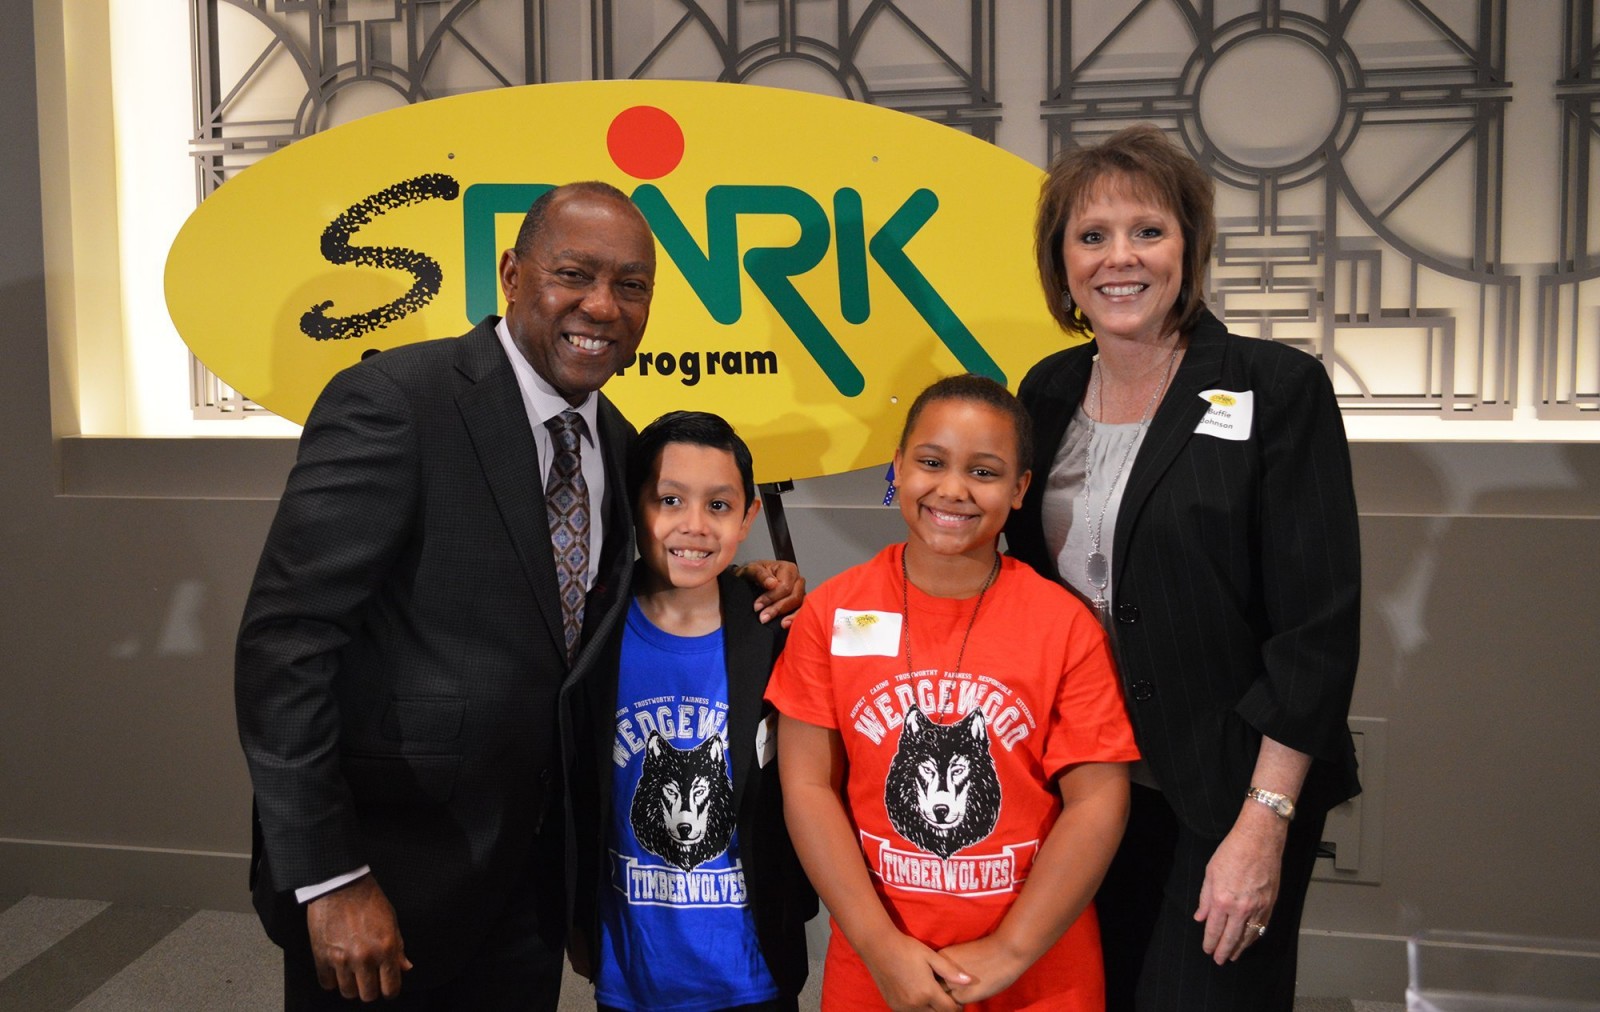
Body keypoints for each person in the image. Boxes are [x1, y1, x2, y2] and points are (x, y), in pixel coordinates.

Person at [235, 181, 802, 1010]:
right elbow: (285, 646)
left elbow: (618, 604)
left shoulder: (616, 441)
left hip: (531, 889)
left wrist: (749, 576)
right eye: (574, 274)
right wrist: (330, 876)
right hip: (390, 878)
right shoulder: (397, 403)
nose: (602, 306)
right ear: (511, 273)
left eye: (632, 285)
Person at [1006, 123, 1362, 1010]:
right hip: (1084, 789)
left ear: (1189, 247)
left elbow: (1316, 631)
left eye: (1147, 231)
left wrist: (1264, 823)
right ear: (1062, 264)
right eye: (1091, 237)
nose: (1118, 259)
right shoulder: (1044, 392)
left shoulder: (1276, 388)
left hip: (1225, 787)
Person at [768, 374, 1140, 1012]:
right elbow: (806, 787)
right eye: (932, 462)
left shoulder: (1064, 626)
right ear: (898, 467)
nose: (952, 489)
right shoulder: (833, 613)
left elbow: (1097, 802)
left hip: (1040, 965)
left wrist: (1010, 951)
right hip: (881, 960)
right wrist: (879, 946)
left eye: (985, 472)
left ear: (1021, 489)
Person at [566, 410, 817, 1012]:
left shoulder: (776, 630)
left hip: (754, 971)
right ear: (633, 509)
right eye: (670, 500)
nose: (695, 527)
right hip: (633, 972)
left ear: (749, 516)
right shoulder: (591, 630)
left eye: (719, 506)